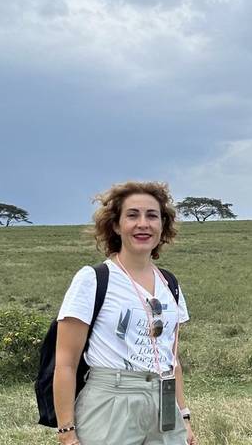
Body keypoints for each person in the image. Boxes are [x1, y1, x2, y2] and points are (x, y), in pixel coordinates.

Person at [53, 181, 197, 445]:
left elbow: (171, 358)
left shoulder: (170, 284)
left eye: (152, 215)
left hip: (163, 401)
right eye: (132, 215)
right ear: (116, 225)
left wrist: (184, 416)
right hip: (111, 401)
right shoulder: (93, 279)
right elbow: (65, 363)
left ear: (163, 225)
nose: (143, 223)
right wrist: (66, 431)